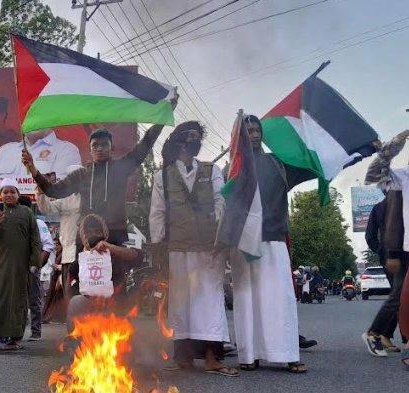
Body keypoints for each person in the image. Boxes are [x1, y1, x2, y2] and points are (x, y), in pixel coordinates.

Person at [148, 121, 236, 377]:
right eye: (190, 137)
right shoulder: (161, 175)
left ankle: (212, 358)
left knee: (209, 301)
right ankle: (183, 358)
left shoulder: (213, 170)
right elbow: (157, 213)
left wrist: (221, 238)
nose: (194, 142)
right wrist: (158, 247)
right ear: (178, 142)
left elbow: (222, 204)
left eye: (198, 138)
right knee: (181, 302)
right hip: (176, 248)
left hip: (209, 249)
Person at [230, 115, 309, 373]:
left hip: (274, 238)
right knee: (247, 299)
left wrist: (355, 152)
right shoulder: (233, 167)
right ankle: (249, 355)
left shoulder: (278, 164)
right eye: (248, 131)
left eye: (256, 130)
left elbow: (314, 164)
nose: (253, 134)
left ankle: (288, 354)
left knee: (280, 298)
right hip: (243, 242)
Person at [23, 119, 172, 249]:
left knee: (115, 280)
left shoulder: (121, 168)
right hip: (86, 238)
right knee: (80, 279)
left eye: (104, 145)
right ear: (90, 150)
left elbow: (144, 145)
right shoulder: (81, 175)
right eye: (95, 145)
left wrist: (161, 120)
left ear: (111, 148)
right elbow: (53, 191)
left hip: (115, 237)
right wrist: (34, 170)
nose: (99, 148)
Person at [365, 130, 409, 368]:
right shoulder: (408, 175)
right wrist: (391, 148)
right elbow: (373, 174)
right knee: (406, 294)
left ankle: (407, 338)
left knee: (406, 294)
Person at [0, 179, 42, 351]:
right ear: (0, 195)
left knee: (17, 302)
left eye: (12, 192)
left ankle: (15, 339)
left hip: (20, 267)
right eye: (6, 192)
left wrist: (35, 263)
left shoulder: (26, 212)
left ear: (18, 195)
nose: (9, 194)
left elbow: (35, 240)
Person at [363, 194, 408, 355]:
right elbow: (370, 236)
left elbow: (370, 237)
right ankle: (375, 332)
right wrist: (385, 252)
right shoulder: (384, 207)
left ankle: (385, 335)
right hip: (395, 258)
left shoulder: (380, 206)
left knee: (402, 297)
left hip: (400, 255)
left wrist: (381, 252)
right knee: (399, 296)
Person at [37, 165, 83, 303]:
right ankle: (74, 323)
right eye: (71, 178)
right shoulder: (65, 198)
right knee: (69, 294)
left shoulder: (91, 195)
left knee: (86, 293)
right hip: (68, 253)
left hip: (85, 252)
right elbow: (47, 208)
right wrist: (41, 192)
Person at [18, 195, 55, 341]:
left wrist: (37, 265)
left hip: (32, 268)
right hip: (15, 268)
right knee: (16, 301)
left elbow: (48, 245)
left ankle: (35, 332)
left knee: (34, 300)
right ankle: (16, 333)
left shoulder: (38, 223)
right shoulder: (12, 221)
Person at [0, 128, 82, 179]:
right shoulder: (6, 150)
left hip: (44, 215)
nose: (32, 120)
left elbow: (61, 189)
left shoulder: (66, 150)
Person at [42, 237, 66, 324]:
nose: (55, 246)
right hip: (54, 277)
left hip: (59, 278)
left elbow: (64, 267)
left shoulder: (63, 254)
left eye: (57, 244)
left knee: (57, 299)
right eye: (54, 244)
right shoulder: (57, 253)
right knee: (50, 298)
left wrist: (57, 267)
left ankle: (57, 318)